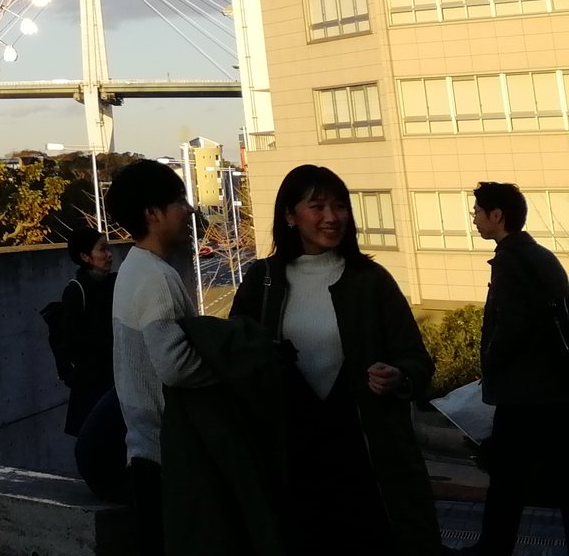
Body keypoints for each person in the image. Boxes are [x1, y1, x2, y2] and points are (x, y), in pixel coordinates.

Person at [229, 163, 441, 555]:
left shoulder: (371, 280)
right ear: (289, 216)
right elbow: (236, 358)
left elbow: (416, 359)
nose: (332, 217)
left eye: (340, 206)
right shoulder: (265, 280)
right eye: (318, 206)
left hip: (363, 452)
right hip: (291, 453)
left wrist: (399, 376)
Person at [459, 181, 569, 556]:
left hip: (522, 391)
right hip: (551, 389)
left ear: (497, 215)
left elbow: (510, 327)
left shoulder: (511, 261)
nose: (473, 219)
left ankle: (492, 548)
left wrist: (490, 362)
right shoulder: (539, 255)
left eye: (477, 211)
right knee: (552, 474)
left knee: (506, 479)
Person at [107, 160, 207, 556]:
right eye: (180, 201)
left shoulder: (133, 267)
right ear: (153, 214)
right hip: (168, 457)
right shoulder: (156, 278)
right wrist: (232, 367)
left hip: (144, 453)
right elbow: (175, 365)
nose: (189, 210)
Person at [52, 227, 117, 435]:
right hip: (92, 384)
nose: (109, 255)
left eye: (108, 249)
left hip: (114, 378)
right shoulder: (76, 290)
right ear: (85, 257)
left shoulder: (114, 284)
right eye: (102, 250)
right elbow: (67, 340)